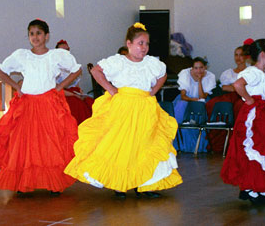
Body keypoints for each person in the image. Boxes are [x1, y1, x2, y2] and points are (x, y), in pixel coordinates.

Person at [64, 22, 182, 198]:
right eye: (140, 43)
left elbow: (162, 75)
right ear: (129, 44)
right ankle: (119, 184)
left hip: (145, 108)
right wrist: (110, 89)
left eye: (146, 44)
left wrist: (153, 91)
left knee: (144, 146)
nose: (144, 47)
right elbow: (96, 71)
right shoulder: (118, 61)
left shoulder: (152, 63)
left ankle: (144, 184)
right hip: (123, 108)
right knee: (121, 146)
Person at [0, 19, 81, 194]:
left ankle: (54, 181)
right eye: (31, 34)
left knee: (50, 142)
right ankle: (25, 182)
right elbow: (1, 72)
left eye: (39, 33)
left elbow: (77, 70)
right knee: (25, 143)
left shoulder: (55, 55)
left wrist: (60, 87)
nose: (35, 37)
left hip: (48, 103)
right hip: (28, 104)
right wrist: (16, 87)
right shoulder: (22, 55)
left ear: (46, 36)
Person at [221, 39, 265, 204]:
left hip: (263, 112)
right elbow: (238, 85)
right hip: (255, 115)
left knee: (261, 149)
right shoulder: (254, 72)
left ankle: (255, 187)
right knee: (255, 149)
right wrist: (250, 100)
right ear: (262, 54)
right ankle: (252, 188)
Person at [205, 46, 246, 153]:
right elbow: (224, 87)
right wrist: (234, 88)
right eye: (236, 55)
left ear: (246, 57)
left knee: (238, 107)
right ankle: (217, 142)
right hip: (229, 96)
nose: (238, 58)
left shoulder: (250, 72)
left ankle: (235, 143)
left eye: (241, 55)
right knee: (212, 104)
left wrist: (235, 88)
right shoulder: (229, 73)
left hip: (242, 97)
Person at [173, 57, 216, 153]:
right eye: (195, 68)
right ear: (192, 68)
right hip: (187, 99)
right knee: (181, 106)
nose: (198, 71)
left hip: (201, 101)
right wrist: (194, 100)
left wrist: (200, 81)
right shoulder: (185, 74)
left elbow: (202, 97)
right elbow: (183, 96)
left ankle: (197, 146)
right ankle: (180, 144)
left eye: (201, 68)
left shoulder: (210, 77)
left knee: (201, 106)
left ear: (205, 68)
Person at [55, 39, 94, 124]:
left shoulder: (72, 65)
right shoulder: (54, 67)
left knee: (89, 102)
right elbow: (55, 88)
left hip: (74, 92)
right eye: (62, 51)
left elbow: (77, 84)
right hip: (61, 93)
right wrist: (74, 94)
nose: (65, 53)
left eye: (66, 50)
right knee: (74, 104)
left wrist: (80, 92)